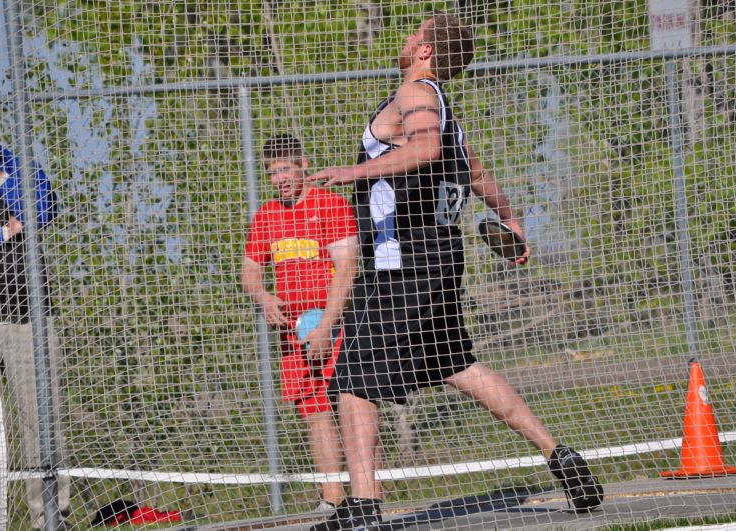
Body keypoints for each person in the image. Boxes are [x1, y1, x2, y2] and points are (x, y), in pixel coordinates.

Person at [308, 14, 604, 530]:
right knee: (457, 364)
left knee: (353, 377)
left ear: (424, 50)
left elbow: (424, 149)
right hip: (441, 260)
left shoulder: (416, 95)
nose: (403, 39)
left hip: (403, 262)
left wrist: (352, 171)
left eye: (412, 33)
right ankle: (562, 457)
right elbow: (477, 172)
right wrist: (509, 216)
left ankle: (362, 506)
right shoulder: (445, 108)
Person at [241, 134, 359, 511]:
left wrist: (326, 325)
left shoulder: (331, 205)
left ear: (303, 165)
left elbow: (347, 269)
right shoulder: (266, 216)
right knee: (314, 412)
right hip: (293, 335)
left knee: (354, 406)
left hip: (337, 326)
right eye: (272, 173)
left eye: (285, 169)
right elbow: (250, 270)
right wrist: (263, 296)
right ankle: (332, 499)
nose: (279, 179)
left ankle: (365, 496)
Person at [0, 143, 70, 529]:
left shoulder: (12, 162)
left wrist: (1, 180)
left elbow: (43, 210)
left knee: (41, 418)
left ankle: (50, 518)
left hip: (27, 312)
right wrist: (4, 231)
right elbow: (19, 224)